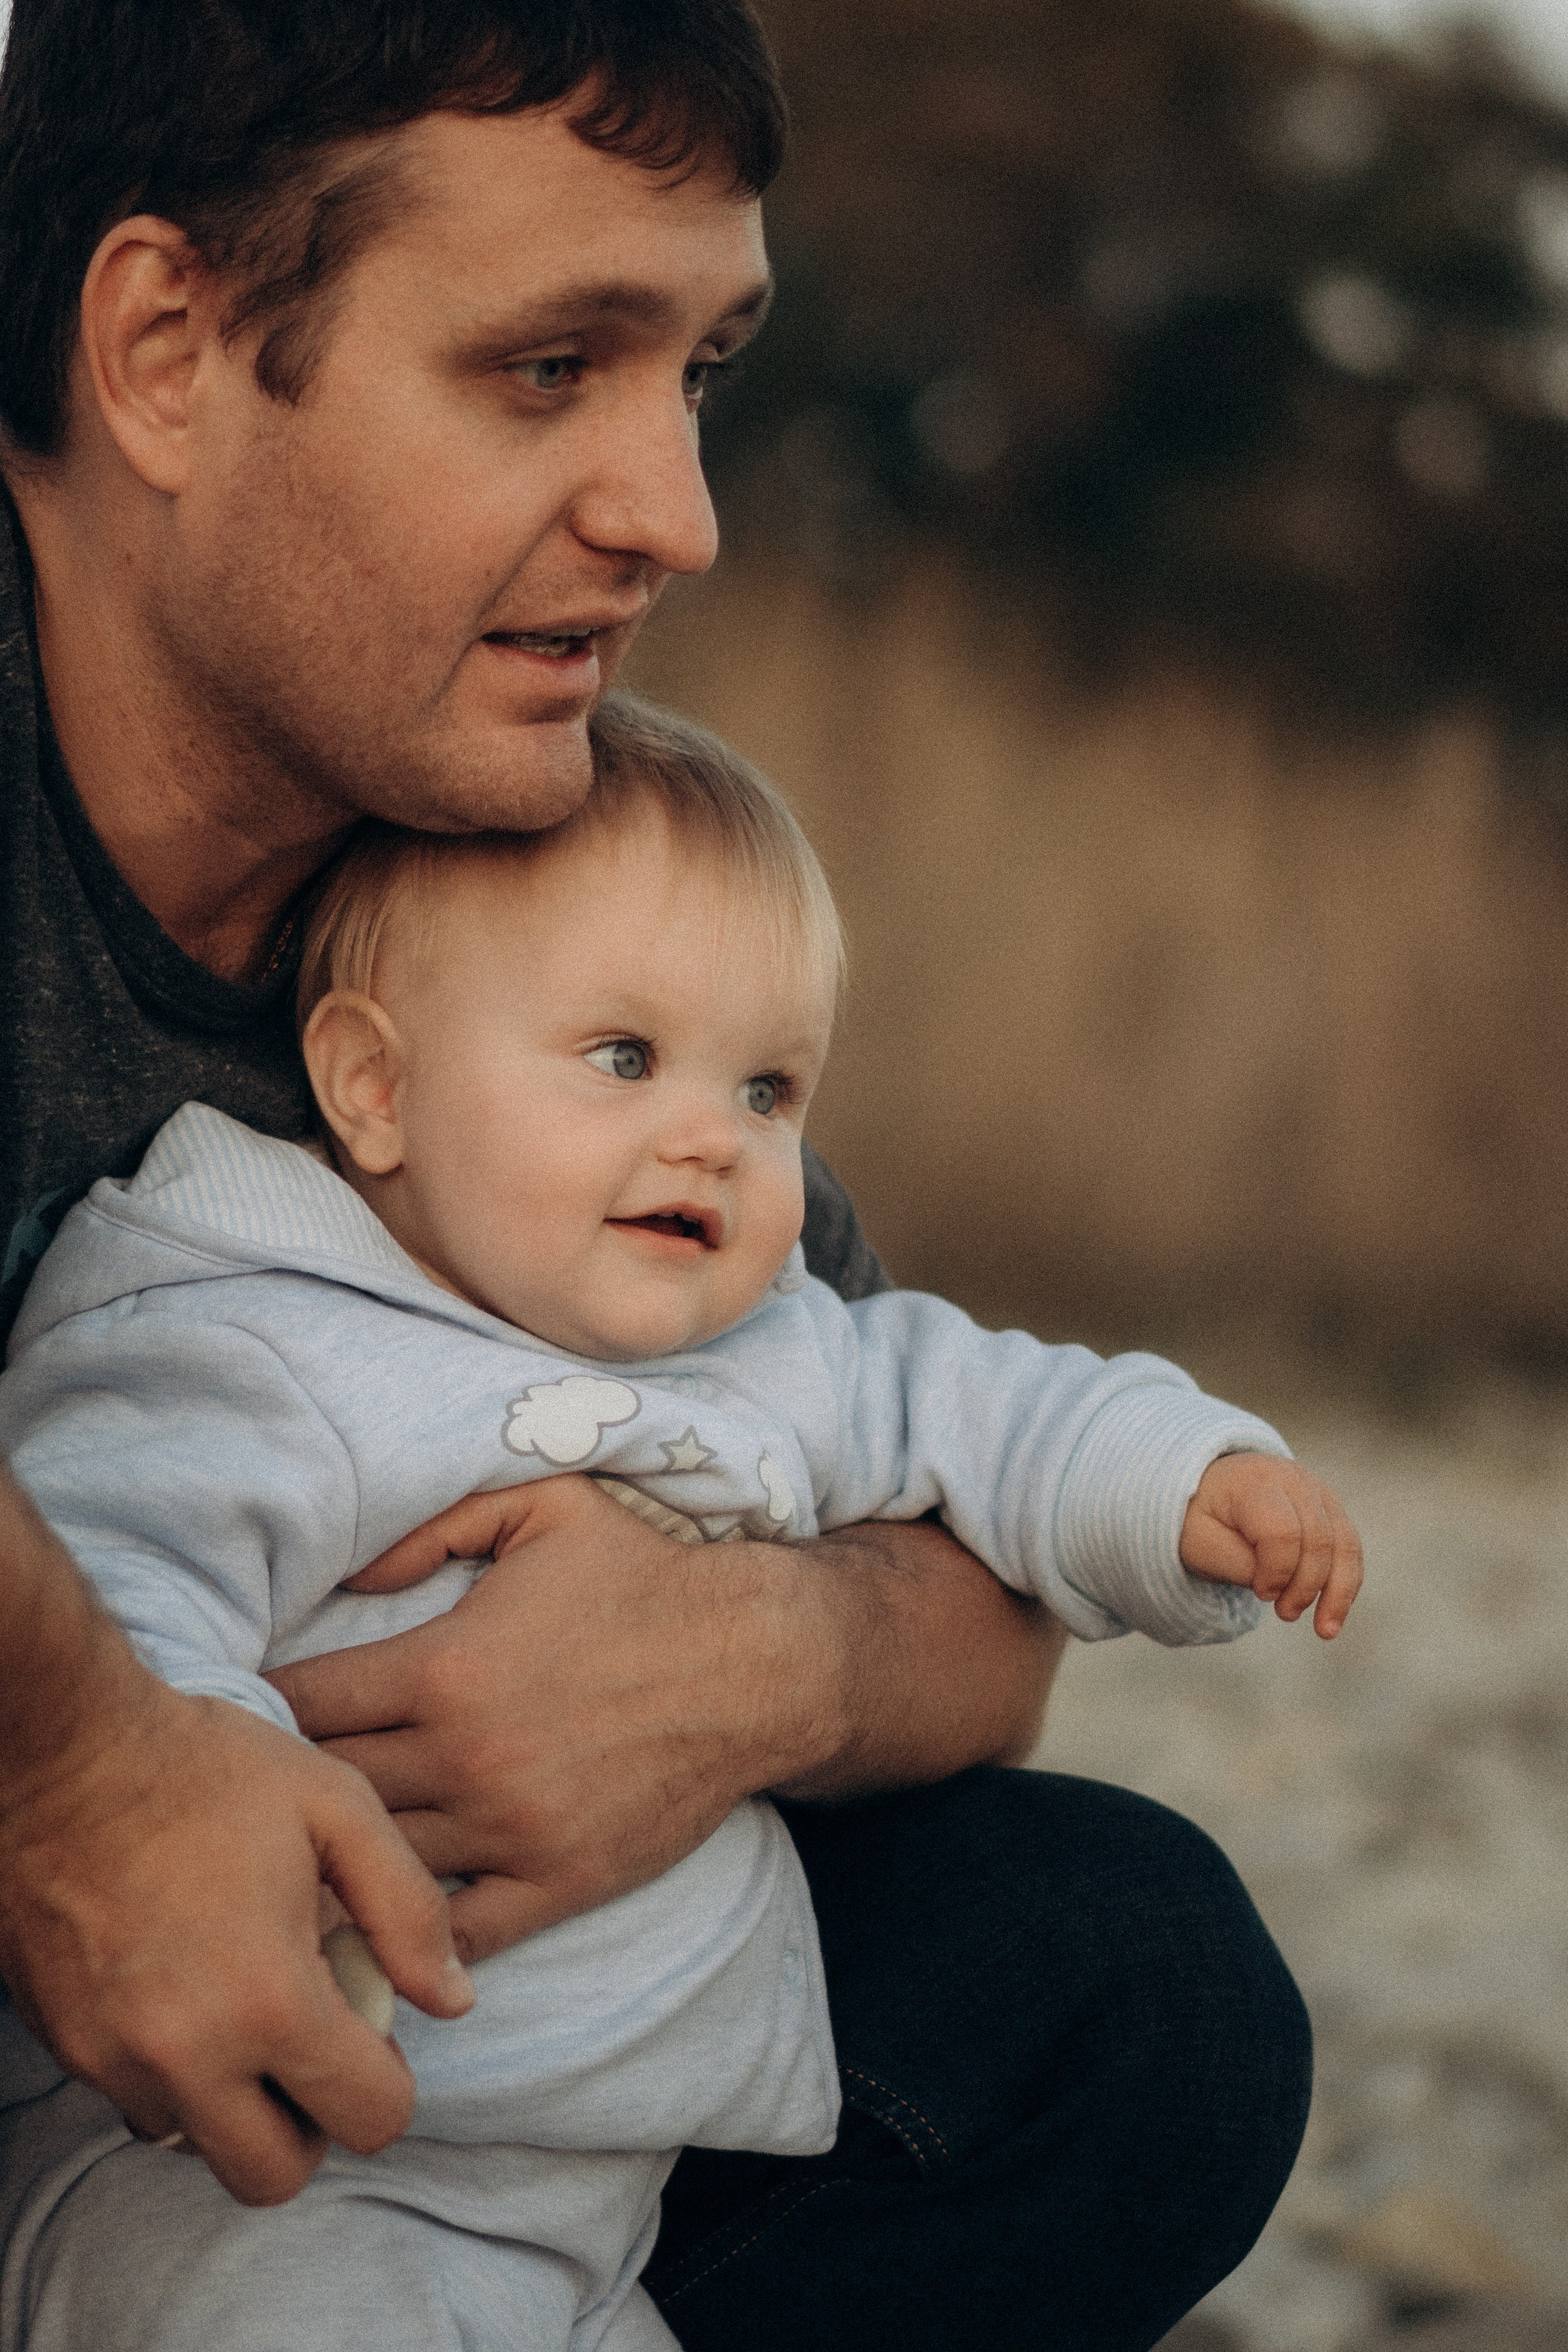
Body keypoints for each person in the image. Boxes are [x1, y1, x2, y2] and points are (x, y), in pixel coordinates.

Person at [0, 3, 1345, 2344]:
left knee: (1130, 1985)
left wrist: (757, 1659)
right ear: (167, 351)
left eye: (700, 369)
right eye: (551, 367)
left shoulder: (536, 868)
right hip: (101, 2131)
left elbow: (935, 1527)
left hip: (430, 2110)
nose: (678, 514)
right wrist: (82, 1763)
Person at [0, 696, 1360, 2351]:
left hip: (600, 2188)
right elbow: (108, 1563)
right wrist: (185, 1757)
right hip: (257, 2166)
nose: (712, 1130)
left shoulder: (754, 1326)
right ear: (371, 1084)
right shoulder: (249, 1332)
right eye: (622, 1057)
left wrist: (1184, 1482)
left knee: (1157, 1967)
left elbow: (979, 1404)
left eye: (772, 1084)